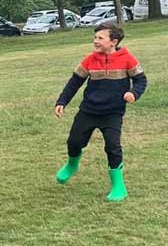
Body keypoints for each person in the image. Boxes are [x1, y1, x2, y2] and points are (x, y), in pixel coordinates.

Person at [54, 21, 147, 201]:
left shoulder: (127, 58)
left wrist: (133, 93)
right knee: (74, 142)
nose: (95, 41)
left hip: (113, 113)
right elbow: (74, 82)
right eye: (95, 37)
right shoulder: (90, 59)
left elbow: (141, 81)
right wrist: (62, 101)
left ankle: (119, 186)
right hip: (88, 111)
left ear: (114, 41)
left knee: (113, 146)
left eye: (100, 38)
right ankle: (72, 164)